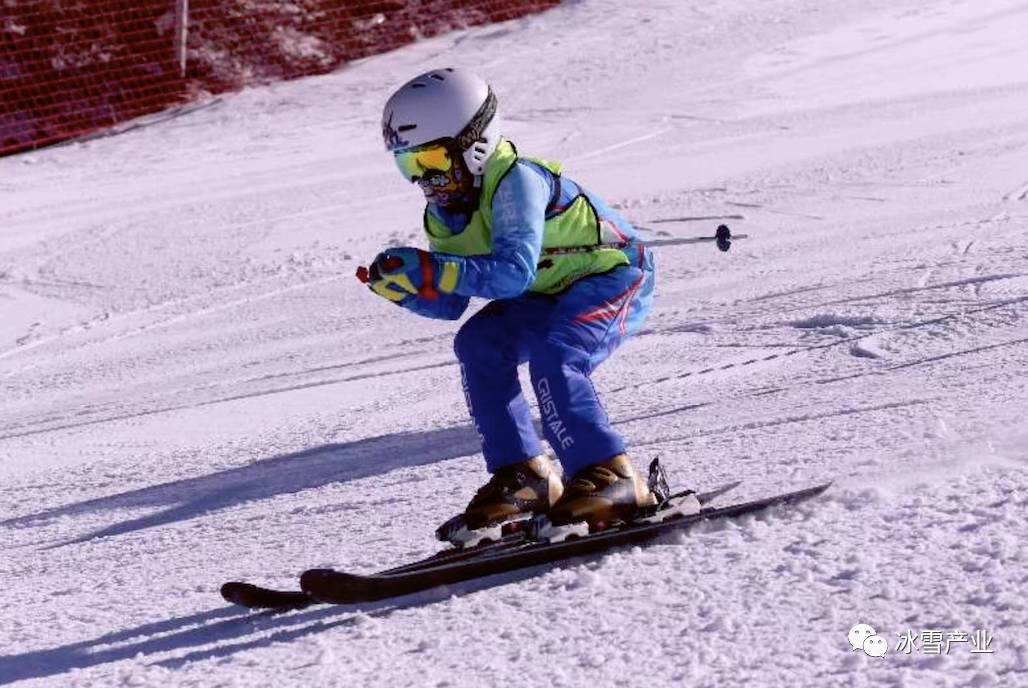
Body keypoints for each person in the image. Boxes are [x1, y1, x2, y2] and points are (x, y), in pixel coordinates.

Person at [364, 68, 657, 542]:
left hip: (611, 276)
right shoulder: (443, 213)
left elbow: (513, 273)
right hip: (547, 292)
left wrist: (433, 269)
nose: (426, 179)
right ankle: (525, 477)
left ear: (475, 143)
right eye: (409, 166)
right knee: (478, 342)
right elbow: (452, 305)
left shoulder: (518, 181)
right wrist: (408, 290)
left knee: (555, 352)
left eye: (433, 158)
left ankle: (610, 474)